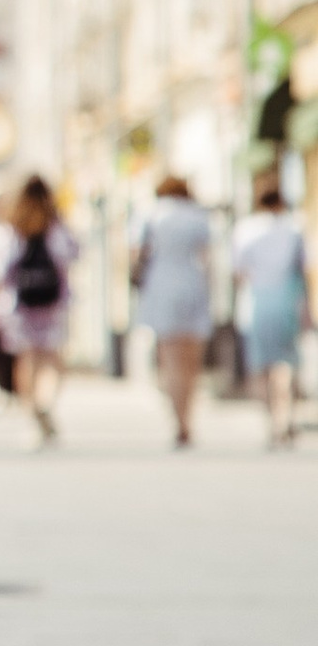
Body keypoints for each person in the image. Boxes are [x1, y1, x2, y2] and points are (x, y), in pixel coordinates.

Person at [131, 171, 214, 446]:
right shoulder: (197, 215)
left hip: (161, 285)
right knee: (192, 359)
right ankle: (187, 416)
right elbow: (208, 256)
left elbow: (136, 252)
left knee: (170, 358)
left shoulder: (151, 214)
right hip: (193, 282)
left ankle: (178, 419)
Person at [231, 172, 308, 449]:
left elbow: (238, 272)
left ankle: (270, 422)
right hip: (287, 300)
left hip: (256, 302)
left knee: (262, 365)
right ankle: (286, 417)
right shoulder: (294, 228)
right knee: (286, 363)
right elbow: (303, 269)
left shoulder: (245, 229)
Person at [0, 172, 76, 442]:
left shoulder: (15, 226)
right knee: (52, 357)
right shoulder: (55, 224)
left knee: (27, 358)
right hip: (54, 302)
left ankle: (32, 410)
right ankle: (46, 405)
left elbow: (2, 267)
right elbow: (72, 253)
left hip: (22, 303)